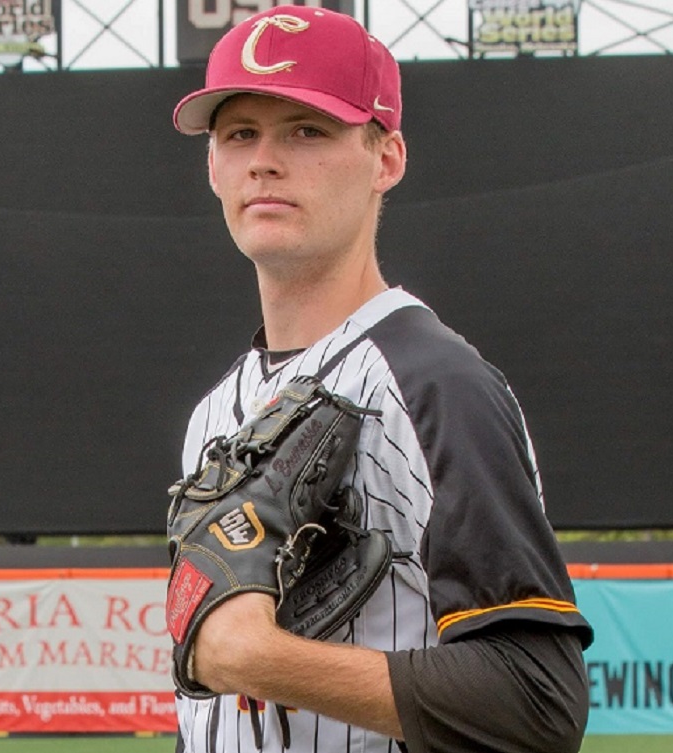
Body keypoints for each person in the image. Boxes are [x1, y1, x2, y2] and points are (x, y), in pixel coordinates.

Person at [169, 6, 594, 753]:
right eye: (240, 134)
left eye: (308, 129)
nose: (265, 160)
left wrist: (259, 657)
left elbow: (539, 701)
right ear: (213, 166)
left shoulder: (434, 383)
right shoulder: (213, 415)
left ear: (386, 158)